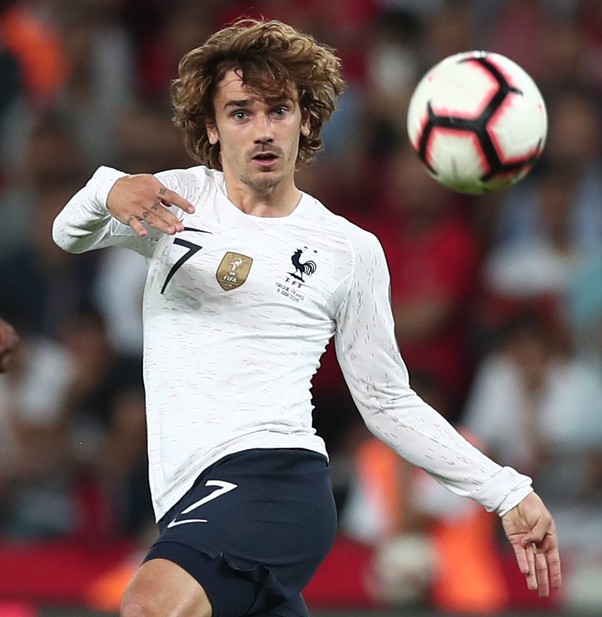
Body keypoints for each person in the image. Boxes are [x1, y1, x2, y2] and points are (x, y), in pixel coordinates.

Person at [51, 18, 560, 617]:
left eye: (279, 110)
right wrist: (106, 190)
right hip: (186, 495)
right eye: (241, 113)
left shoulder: (348, 249)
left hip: (273, 478)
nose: (263, 131)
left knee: (149, 607)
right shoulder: (176, 198)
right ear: (211, 128)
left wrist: (506, 491)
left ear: (308, 120)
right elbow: (68, 234)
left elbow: (388, 402)